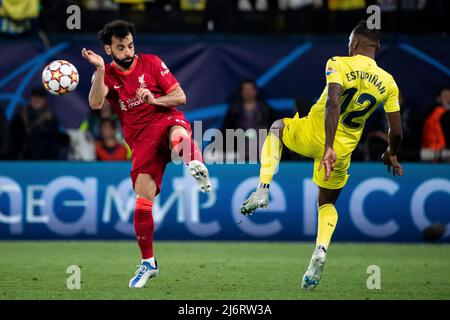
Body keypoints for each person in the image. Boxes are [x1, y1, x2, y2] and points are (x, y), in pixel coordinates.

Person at [240, 20, 403, 290]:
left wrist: (325, 144)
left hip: (316, 133)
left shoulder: (337, 63)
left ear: (354, 43)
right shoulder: (389, 82)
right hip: (342, 150)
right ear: (377, 47)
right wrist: (391, 153)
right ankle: (320, 250)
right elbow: (396, 130)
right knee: (326, 203)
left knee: (278, 128)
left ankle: (263, 187)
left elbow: (332, 102)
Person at [82, 20, 212, 288]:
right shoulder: (106, 74)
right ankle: (148, 263)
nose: (128, 52)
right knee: (143, 202)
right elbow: (95, 103)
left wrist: (155, 100)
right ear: (108, 49)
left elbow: (180, 96)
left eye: (130, 45)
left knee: (177, 133)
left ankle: (194, 161)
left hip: (164, 119)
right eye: (120, 47)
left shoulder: (152, 63)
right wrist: (98, 70)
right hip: (140, 140)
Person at [222, 80, 275, 161]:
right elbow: (227, 132)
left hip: (261, 150)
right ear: (241, 92)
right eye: (245, 90)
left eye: (250, 90)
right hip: (239, 151)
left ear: (255, 91)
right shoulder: (233, 111)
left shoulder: (266, 110)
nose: (248, 92)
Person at [9, 87, 63, 160]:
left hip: (43, 160)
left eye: (40, 98)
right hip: (21, 158)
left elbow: (55, 141)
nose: (37, 100)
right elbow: (12, 138)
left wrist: (51, 158)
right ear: (31, 99)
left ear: (44, 101)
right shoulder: (20, 117)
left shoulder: (51, 119)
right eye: (35, 98)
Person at [421, 87, 450, 162]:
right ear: (439, 99)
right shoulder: (433, 113)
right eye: (446, 96)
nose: (449, 99)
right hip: (435, 150)